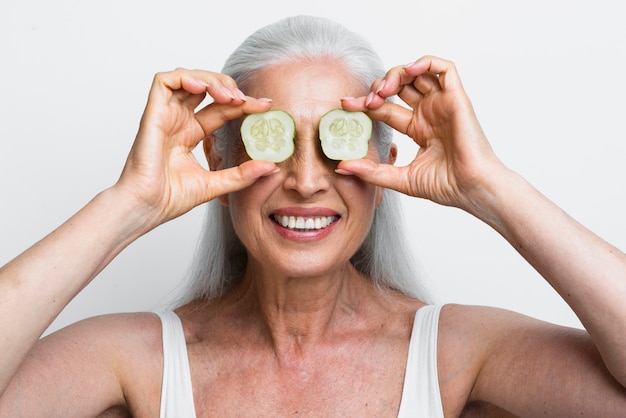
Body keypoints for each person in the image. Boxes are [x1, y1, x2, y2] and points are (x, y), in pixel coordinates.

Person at [0, 14, 625, 417]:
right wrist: (128, 204)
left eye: (339, 140)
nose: (304, 181)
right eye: (274, 141)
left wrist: (489, 186)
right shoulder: (139, 359)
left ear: (385, 171)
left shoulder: (455, 352)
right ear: (219, 163)